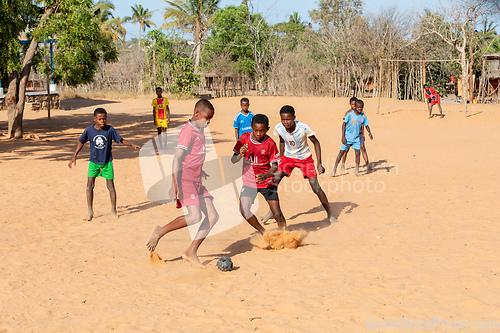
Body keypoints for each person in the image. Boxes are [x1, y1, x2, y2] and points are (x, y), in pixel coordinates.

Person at [146, 99, 218, 269]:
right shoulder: (188, 132)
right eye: (206, 118)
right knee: (195, 216)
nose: (208, 122)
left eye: (210, 119)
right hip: (185, 180)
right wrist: (174, 185)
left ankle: (191, 251)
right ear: (196, 114)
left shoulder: (199, 129)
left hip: (196, 179)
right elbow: (177, 158)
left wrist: (200, 170)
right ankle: (160, 231)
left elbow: (193, 155)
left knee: (213, 216)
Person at [68, 108, 140, 221]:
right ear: (94, 119)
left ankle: (113, 210)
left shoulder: (110, 130)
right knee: (89, 185)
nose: (102, 121)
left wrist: (131, 144)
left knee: (111, 186)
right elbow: (81, 142)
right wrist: (74, 156)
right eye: (100, 119)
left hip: (107, 162)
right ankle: (90, 211)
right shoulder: (89, 130)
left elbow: (120, 140)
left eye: (104, 119)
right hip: (93, 162)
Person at [271, 105, 337, 224]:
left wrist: (319, 163)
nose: (285, 122)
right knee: (273, 182)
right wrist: (281, 158)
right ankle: (273, 210)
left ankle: (330, 213)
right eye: (283, 119)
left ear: (294, 118)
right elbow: (281, 141)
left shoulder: (303, 128)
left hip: (305, 159)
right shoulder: (279, 128)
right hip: (288, 158)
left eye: (288, 119)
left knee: (315, 187)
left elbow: (316, 143)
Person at [231, 114, 286, 234]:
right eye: (255, 130)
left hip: (267, 183)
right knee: (244, 211)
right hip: (249, 183)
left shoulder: (270, 143)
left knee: (277, 214)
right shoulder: (244, 138)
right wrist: (240, 154)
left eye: (262, 131)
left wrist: (266, 175)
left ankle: (284, 235)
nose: (258, 133)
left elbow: (275, 167)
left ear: (267, 129)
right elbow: (233, 160)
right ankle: (263, 232)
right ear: (251, 127)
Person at [331, 99, 373, 177]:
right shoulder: (350, 115)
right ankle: (334, 169)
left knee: (358, 154)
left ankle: (357, 171)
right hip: (347, 138)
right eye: (358, 107)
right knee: (341, 153)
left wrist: (369, 133)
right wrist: (343, 136)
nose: (360, 109)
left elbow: (366, 125)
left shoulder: (363, 116)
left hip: (356, 138)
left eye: (361, 107)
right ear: (355, 107)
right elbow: (344, 124)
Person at [339, 97, 369, 171]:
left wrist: (363, 134)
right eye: (352, 105)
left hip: (359, 135)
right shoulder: (348, 114)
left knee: (363, 149)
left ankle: (368, 164)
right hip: (349, 135)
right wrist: (344, 136)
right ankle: (343, 163)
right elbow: (345, 124)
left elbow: (363, 124)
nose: (353, 106)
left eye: (354, 105)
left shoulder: (361, 113)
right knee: (346, 150)